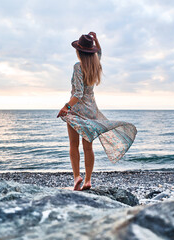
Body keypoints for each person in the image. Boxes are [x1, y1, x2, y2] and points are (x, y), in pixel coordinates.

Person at [57, 32, 137, 191]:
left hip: (77, 111)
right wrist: (96, 40)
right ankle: (87, 180)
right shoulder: (96, 65)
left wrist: (66, 107)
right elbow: (99, 53)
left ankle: (76, 177)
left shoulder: (78, 67)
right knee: (88, 147)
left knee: (73, 145)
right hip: (92, 110)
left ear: (78, 51)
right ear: (91, 52)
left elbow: (78, 93)